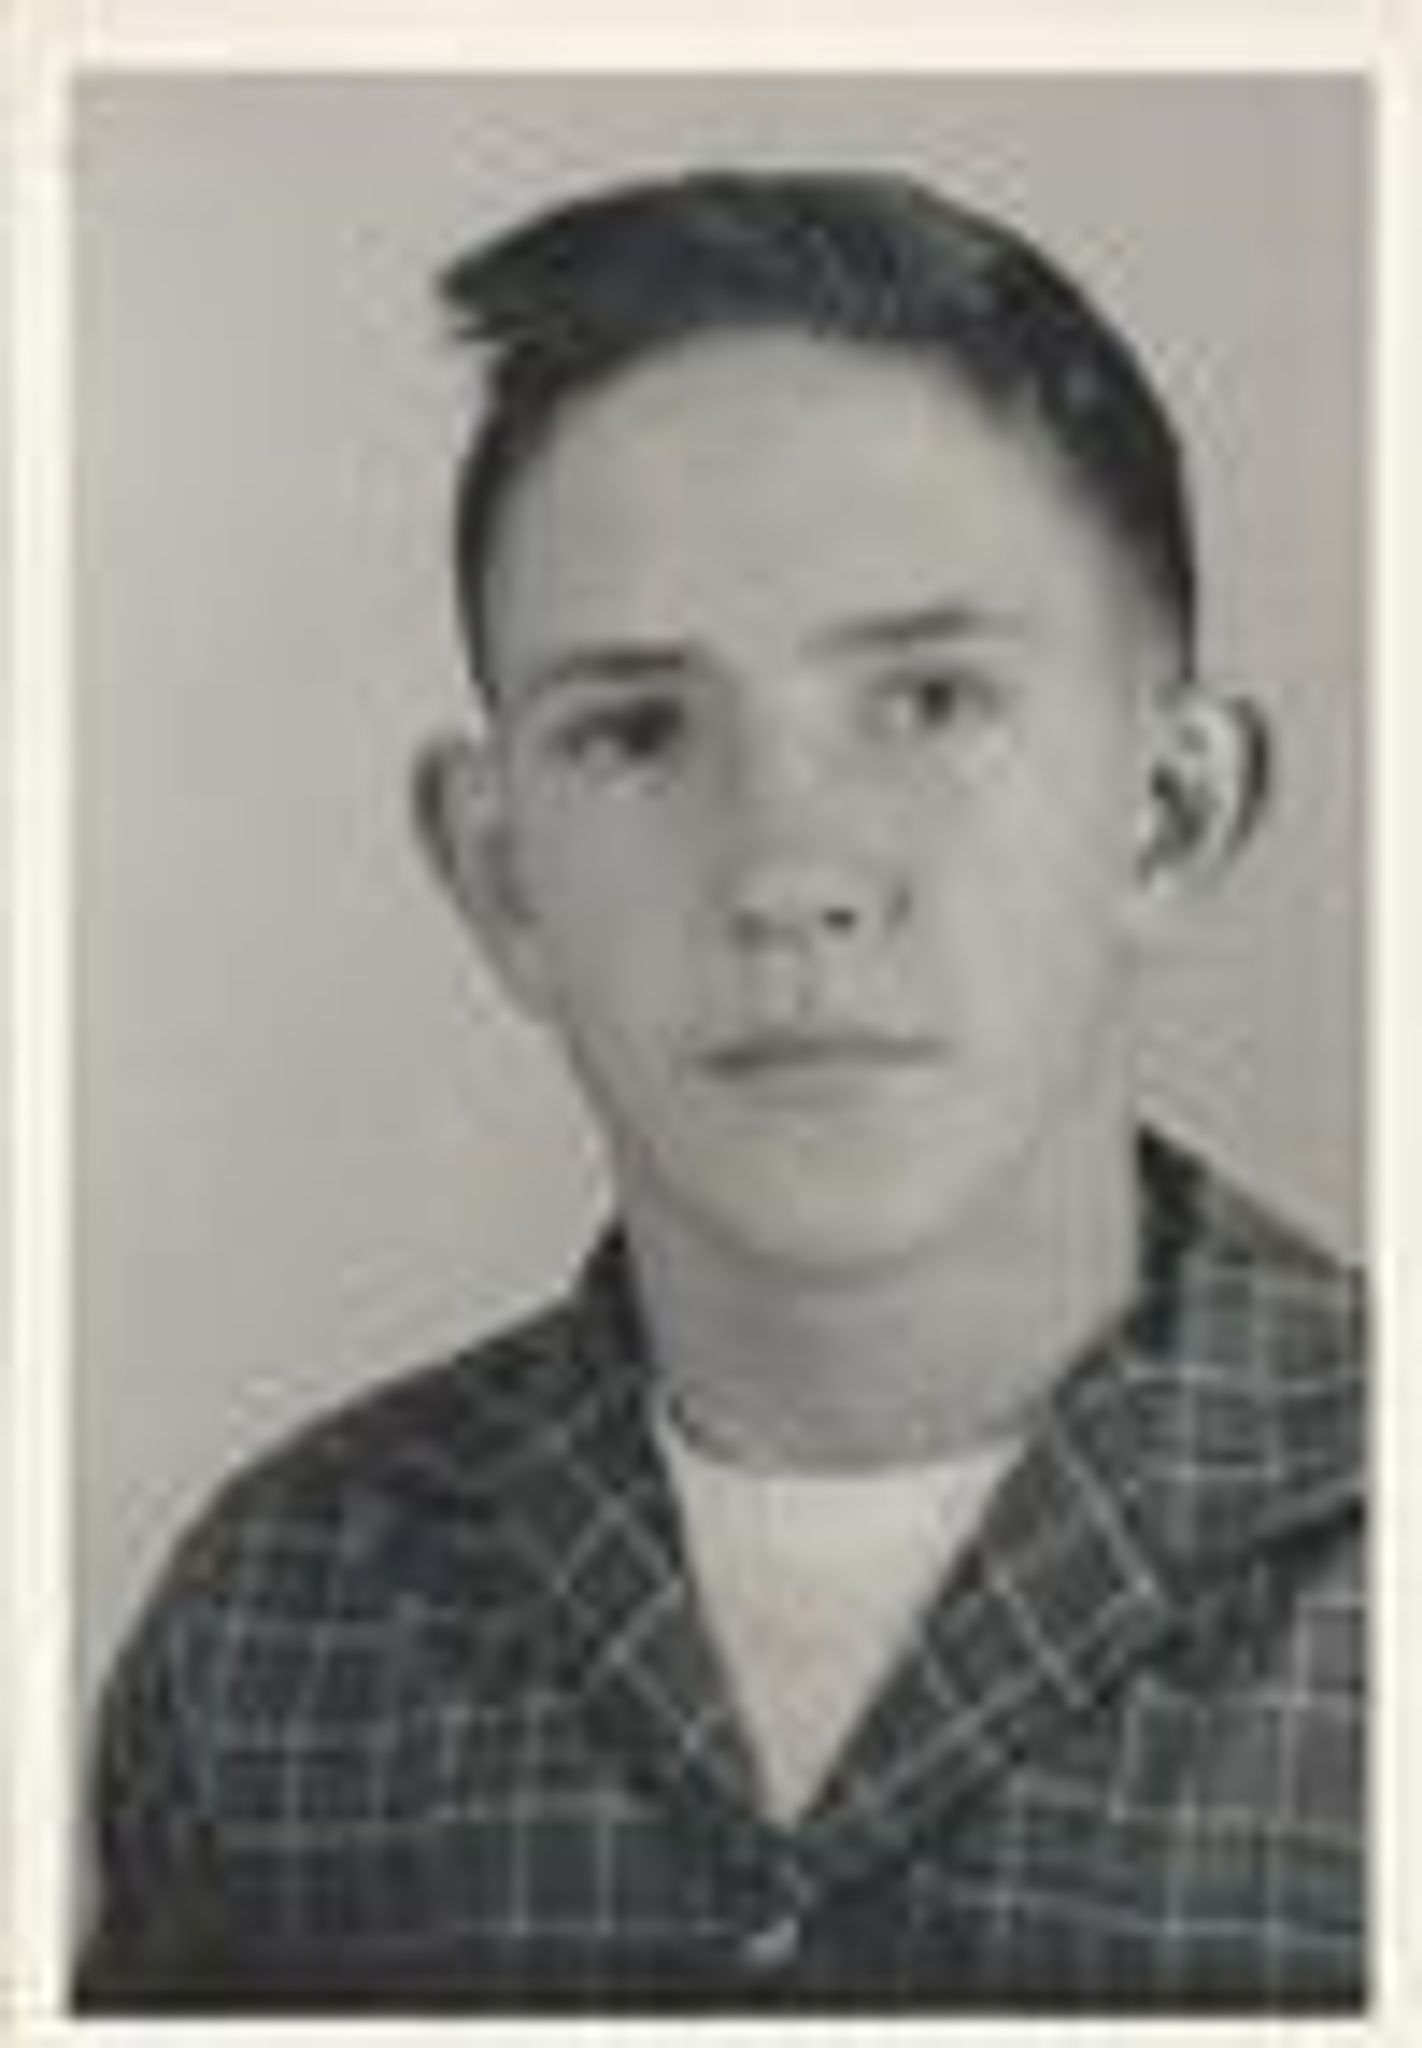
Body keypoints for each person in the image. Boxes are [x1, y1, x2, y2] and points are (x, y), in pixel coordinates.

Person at [77, 169, 1364, 2013]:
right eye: (635, 730)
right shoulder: (277, 1631)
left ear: (1168, 814)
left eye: (928, 701)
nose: (784, 871)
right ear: (501, 877)